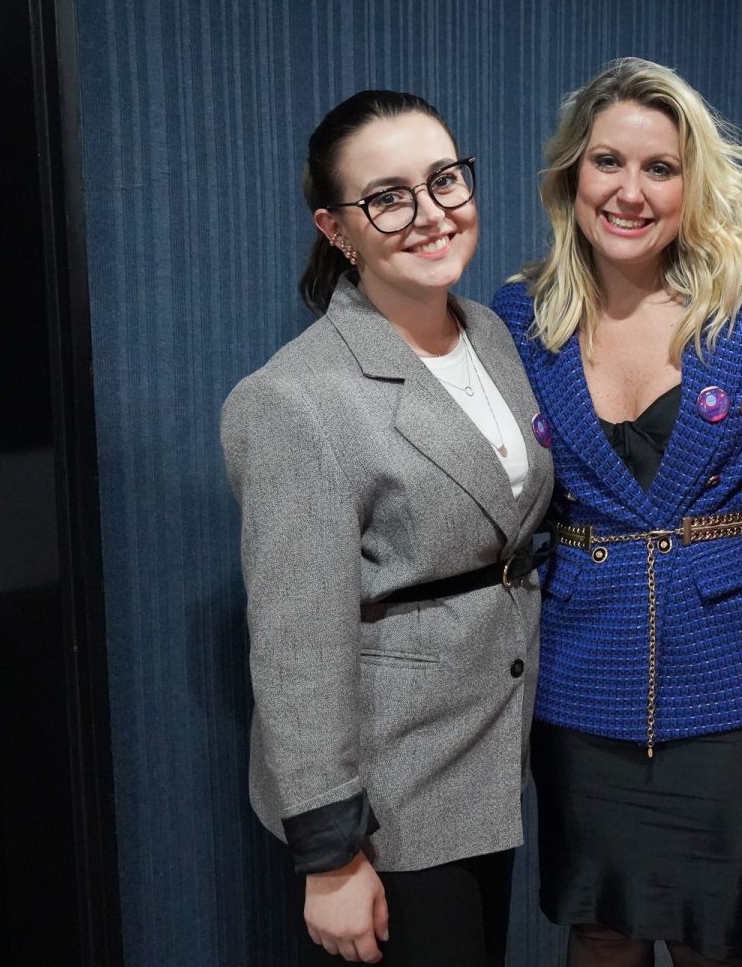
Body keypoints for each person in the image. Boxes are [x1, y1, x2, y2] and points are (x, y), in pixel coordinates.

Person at [492, 57, 742, 967]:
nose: (629, 192)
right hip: (579, 674)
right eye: (608, 162)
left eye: (660, 168)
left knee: (718, 937)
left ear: (693, 183)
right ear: (572, 174)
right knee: (599, 928)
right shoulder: (520, 315)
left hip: (725, 681)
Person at [221, 90, 553, 966]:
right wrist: (330, 855)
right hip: (391, 786)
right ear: (337, 230)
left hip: (492, 749)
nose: (431, 214)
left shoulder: (492, 334)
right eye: (388, 197)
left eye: (444, 180)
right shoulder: (293, 400)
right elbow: (295, 644)